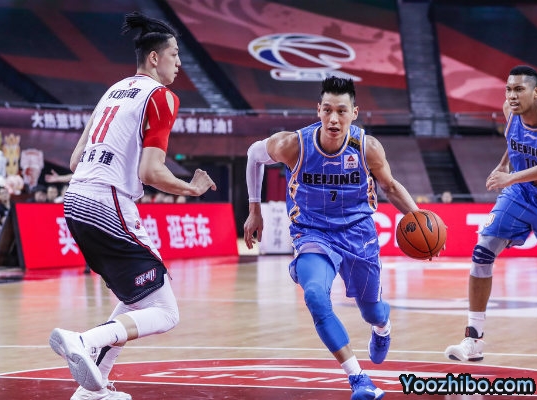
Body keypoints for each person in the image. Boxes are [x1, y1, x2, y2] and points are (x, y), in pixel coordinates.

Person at [48, 12, 216, 400]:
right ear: (154, 58)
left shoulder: (113, 91)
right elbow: (151, 171)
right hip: (106, 203)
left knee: (135, 298)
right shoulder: (161, 97)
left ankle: (92, 390)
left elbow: (74, 161)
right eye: (174, 54)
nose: (179, 63)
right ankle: (85, 340)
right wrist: (191, 189)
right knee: (166, 312)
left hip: (74, 202)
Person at [243, 76, 421, 400]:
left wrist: (420, 218)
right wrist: (254, 209)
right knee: (315, 295)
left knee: (372, 311)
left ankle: (382, 327)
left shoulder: (367, 147)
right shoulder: (293, 144)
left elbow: (391, 187)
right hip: (312, 233)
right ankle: (359, 379)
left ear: (355, 113)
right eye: (327, 110)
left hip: (358, 233)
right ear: (318, 110)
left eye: (341, 111)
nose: (334, 119)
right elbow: (254, 155)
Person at [445, 65, 537, 362]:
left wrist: (509, 177)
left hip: (521, 185)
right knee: (482, 252)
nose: (512, 95)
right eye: (508, 89)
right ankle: (473, 339)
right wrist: (504, 163)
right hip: (521, 193)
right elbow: (514, 141)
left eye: (519, 89)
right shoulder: (510, 112)